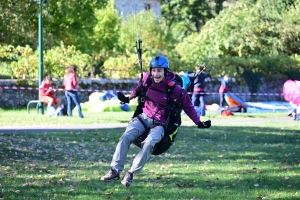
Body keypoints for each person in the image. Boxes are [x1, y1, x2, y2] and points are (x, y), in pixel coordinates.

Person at [100, 56, 211, 187]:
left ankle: (131, 173)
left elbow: (188, 106)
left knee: (148, 144)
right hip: (144, 118)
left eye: (159, 71)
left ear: (165, 71)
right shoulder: (147, 79)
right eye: (154, 70)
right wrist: (128, 98)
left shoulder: (176, 90)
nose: (156, 74)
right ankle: (115, 170)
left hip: (160, 125)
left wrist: (198, 122)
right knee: (125, 137)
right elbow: (139, 88)